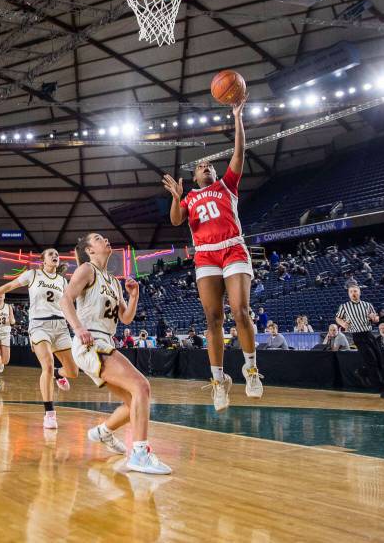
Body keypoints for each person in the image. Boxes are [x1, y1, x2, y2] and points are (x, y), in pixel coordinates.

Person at [163, 95, 262, 412]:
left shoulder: (228, 185)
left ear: (216, 174)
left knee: (240, 310)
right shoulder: (189, 197)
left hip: (233, 247)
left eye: (210, 165)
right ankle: (219, 382)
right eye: (201, 166)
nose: (206, 166)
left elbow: (239, 151)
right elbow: (177, 220)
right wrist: (177, 197)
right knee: (213, 318)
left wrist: (237, 117)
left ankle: (251, 369)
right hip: (205, 255)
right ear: (194, 178)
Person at [60, 232, 170, 474]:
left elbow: (126, 318)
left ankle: (103, 432)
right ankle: (140, 453)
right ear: (89, 250)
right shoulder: (86, 270)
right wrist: (78, 328)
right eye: (98, 238)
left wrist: (134, 296)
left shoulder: (112, 280)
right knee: (142, 386)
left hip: (103, 341)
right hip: (90, 341)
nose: (105, 240)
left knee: (134, 402)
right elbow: (65, 299)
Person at [0, 249, 77, 429]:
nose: (55, 256)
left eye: (57, 254)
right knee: (48, 365)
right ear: (42, 260)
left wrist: (76, 324)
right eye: (51, 254)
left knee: (73, 371)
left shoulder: (62, 281)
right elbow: (9, 286)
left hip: (60, 326)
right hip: (38, 325)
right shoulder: (33, 274)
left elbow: (67, 304)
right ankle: (49, 413)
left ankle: (59, 374)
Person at [336, 285, 384, 398]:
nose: (353, 293)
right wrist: (342, 323)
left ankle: (363, 371)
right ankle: (383, 390)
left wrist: (375, 318)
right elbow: (337, 318)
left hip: (369, 335)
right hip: (358, 337)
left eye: (355, 291)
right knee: (372, 362)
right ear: (348, 294)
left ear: (359, 292)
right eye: (351, 291)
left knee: (379, 362)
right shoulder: (344, 306)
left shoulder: (367, 305)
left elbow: (376, 319)